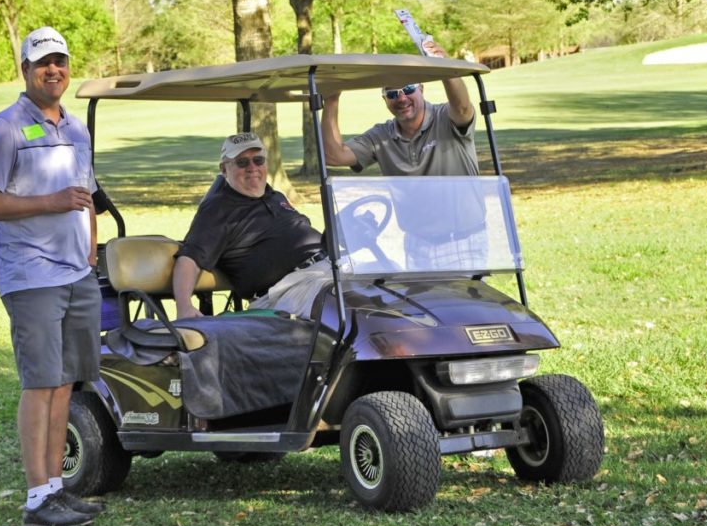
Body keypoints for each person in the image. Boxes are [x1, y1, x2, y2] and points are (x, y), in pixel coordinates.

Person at [0, 26, 104, 526]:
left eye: (60, 61)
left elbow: (85, 195)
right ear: (25, 70)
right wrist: (49, 202)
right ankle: (36, 497)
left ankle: (56, 488)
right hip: (31, 275)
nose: (53, 70)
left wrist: (90, 250)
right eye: (43, 62)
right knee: (41, 382)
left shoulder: (77, 130)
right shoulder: (5, 128)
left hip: (76, 272)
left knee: (65, 383)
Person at [173, 132, 330, 320]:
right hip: (286, 291)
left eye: (258, 160)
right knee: (347, 304)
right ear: (224, 169)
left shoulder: (276, 197)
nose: (252, 168)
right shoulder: (217, 209)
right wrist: (184, 306)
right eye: (242, 162)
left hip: (325, 271)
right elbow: (189, 259)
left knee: (363, 289)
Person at [320, 39, 479, 177]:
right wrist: (332, 100)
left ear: (421, 89)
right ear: (384, 99)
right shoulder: (380, 137)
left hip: (460, 205)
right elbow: (334, 156)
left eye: (408, 89)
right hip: (412, 206)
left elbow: (462, 109)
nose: (401, 98)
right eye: (392, 93)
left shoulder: (445, 117)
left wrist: (445, 67)